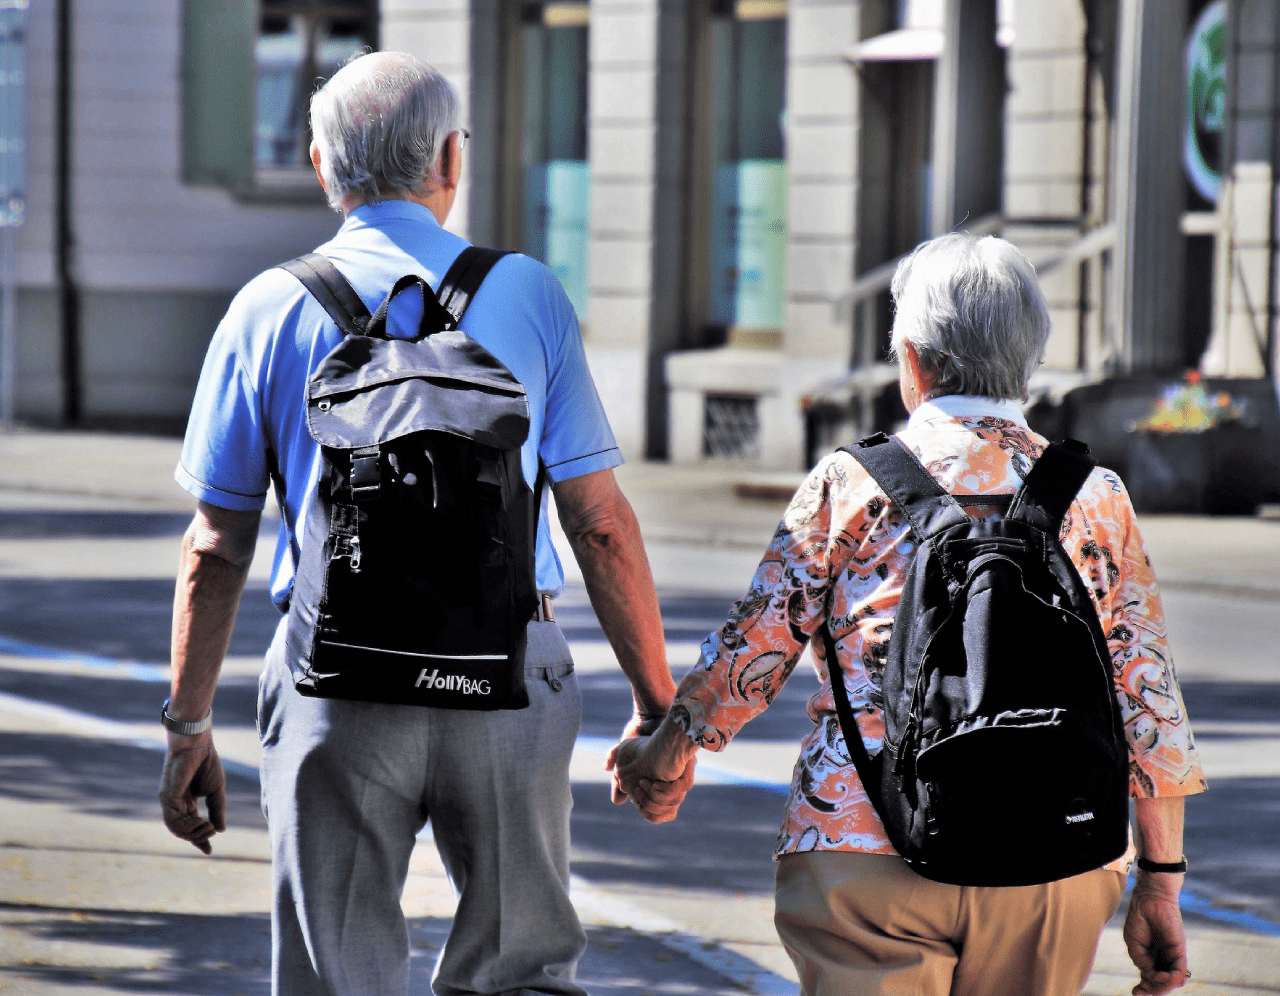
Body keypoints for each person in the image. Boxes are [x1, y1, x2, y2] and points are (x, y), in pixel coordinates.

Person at [157, 51, 685, 996]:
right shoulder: (528, 295)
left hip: (336, 690)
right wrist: (656, 707)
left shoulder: (266, 308)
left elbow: (216, 546)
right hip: (509, 681)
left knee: (337, 974)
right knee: (521, 968)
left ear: (322, 166)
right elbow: (598, 521)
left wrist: (188, 727)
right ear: (452, 158)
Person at [611, 233, 1206, 996]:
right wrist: (1159, 881)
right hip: (1053, 858)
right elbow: (1147, 699)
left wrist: (666, 749)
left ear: (914, 359)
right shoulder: (1096, 496)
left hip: (862, 845)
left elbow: (752, 652)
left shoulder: (849, 484)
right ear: (1029, 357)